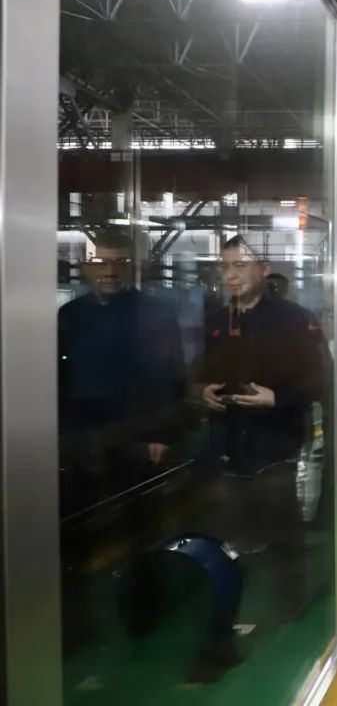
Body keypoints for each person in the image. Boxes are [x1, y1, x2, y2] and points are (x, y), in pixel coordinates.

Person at [196, 235, 329, 680]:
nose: (231, 274)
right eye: (225, 266)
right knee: (228, 536)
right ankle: (226, 611)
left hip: (276, 445)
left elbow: (319, 380)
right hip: (228, 444)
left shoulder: (295, 320)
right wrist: (202, 391)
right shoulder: (218, 321)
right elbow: (198, 371)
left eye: (239, 265)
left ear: (263, 269)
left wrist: (278, 399)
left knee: (283, 530)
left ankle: (290, 603)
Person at [58, 230, 187, 652]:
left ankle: (143, 614)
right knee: (75, 537)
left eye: (118, 262)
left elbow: (171, 376)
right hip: (80, 441)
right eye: (101, 262)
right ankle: (74, 624)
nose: (109, 270)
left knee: (141, 530)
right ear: (86, 267)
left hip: (136, 438)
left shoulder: (154, 314)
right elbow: (57, 379)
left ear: (131, 267)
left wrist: (160, 435)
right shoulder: (69, 317)